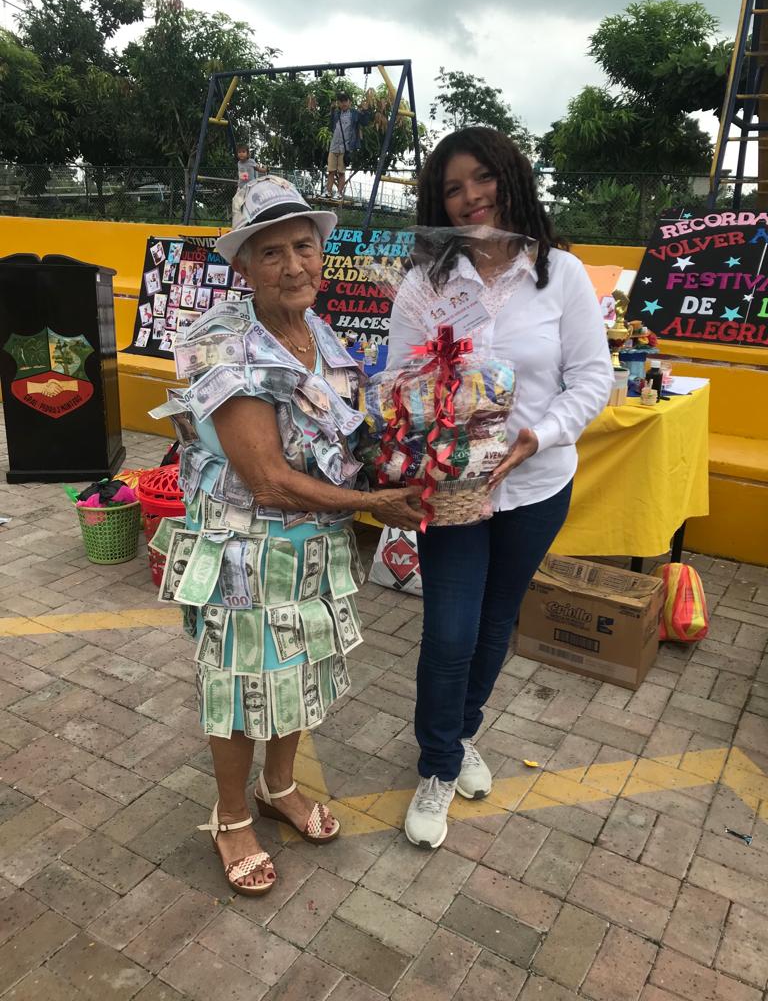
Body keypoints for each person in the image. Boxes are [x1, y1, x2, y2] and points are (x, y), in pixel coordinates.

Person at [151, 176, 423, 895]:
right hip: (243, 553)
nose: (293, 265)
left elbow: (344, 437)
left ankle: (278, 787)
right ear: (243, 265)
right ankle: (232, 816)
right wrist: (373, 503)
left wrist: (420, 453)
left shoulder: (320, 334)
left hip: (311, 550)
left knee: (298, 672)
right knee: (241, 686)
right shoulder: (220, 341)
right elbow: (268, 479)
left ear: (321, 253)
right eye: (271, 253)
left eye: (304, 246)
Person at [386, 127, 614, 849]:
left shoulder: (560, 274)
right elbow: (397, 382)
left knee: (494, 625)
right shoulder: (424, 283)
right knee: (449, 631)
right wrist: (426, 411)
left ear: (510, 177)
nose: (470, 197)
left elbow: (593, 379)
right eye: (452, 188)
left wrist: (536, 436)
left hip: (536, 484)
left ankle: (459, 736)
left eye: (482, 178)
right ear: (438, 201)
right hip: (453, 492)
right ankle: (437, 766)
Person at [326, 92, 370, 200]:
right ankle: (328, 192)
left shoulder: (355, 113)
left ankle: (339, 193)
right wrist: (332, 111)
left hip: (346, 147)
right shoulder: (336, 113)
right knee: (331, 171)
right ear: (338, 103)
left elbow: (365, 122)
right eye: (341, 101)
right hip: (334, 146)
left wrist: (365, 111)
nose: (343, 103)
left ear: (350, 102)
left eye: (345, 101)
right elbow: (331, 126)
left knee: (341, 172)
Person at [233, 145, 268, 224]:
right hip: (241, 187)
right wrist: (238, 183)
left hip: (250, 186)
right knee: (237, 202)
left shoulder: (251, 161)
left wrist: (265, 170)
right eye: (239, 152)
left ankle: (255, 217)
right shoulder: (239, 163)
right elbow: (241, 174)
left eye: (243, 152)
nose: (241, 154)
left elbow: (258, 169)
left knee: (250, 202)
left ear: (248, 154)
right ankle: (240, 219)